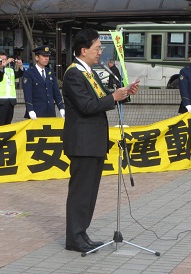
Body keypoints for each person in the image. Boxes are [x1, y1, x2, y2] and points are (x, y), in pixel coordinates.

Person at [62, 28, 139, 253]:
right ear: (83, 50)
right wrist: (113, 98)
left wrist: (123, 93)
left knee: (89, 192)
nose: (100, 53)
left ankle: (81, 233)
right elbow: (86, 106)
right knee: (81, 192)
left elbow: (103, 97)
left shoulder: (89, 71)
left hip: (94, 142)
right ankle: (74, 237)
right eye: (97, 48)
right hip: (82, 142)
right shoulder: (74, 73)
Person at [22, 45, 65, 119]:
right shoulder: (29, 73)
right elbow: (28, 94)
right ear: (37, 58)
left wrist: (61, 107)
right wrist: (30, 110)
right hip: (36, 112)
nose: (46, 58)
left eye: (48, 56)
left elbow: (56, 92)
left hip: (50, 112)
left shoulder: (50, 72)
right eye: (44, 56)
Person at [0, 52, 24, 126]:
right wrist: (4, 64)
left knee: (8, 123)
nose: (4, 61)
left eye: (5, 59)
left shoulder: (10, 70)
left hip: (10, 100)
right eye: (2, 60)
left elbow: (19, 74)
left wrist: (20, 66)